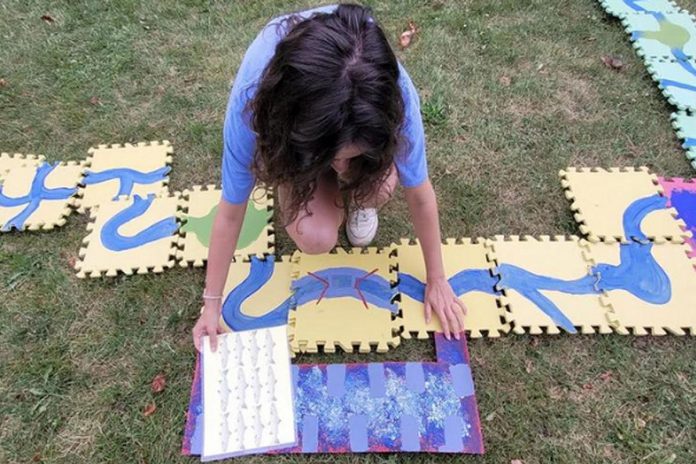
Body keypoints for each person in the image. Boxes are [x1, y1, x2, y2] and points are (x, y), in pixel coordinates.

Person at [192, 3, 466, 351]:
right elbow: (231, 211)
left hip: (323, 133)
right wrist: (212, 304)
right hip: (300, 144)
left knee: (379, 187)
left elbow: (420, 193)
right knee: (317, 236)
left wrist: (438, 279)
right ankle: (306, 176)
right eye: (332, 158)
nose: (340, 166)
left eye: (351, 156)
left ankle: (357, 193)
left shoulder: (391, 98)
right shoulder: (254, 100)